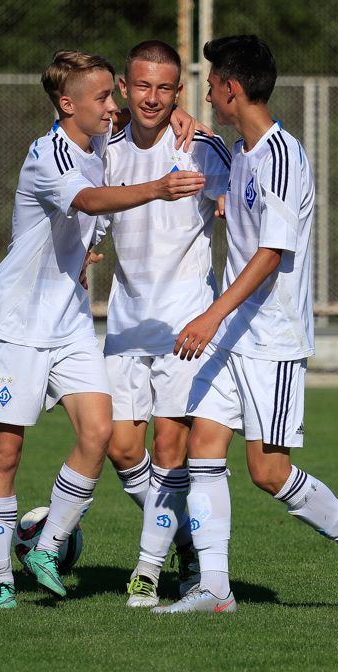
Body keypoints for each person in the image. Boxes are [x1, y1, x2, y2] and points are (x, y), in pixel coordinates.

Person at [0, 49, 207, 608]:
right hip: (18, 325)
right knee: (5, 455)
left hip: (73, 323)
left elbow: (140, 119)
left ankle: (47, 545)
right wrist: (157, 187)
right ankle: (1, 581)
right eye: (103, 98)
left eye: (112, 94)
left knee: (100, 434)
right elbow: (89, 200)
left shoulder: (100, 138)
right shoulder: (48, 155)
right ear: (66, 104)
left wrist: (184, 116)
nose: (114, 107)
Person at [153, 34, 338, 614]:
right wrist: (179, 117)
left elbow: (271, 253)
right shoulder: (245, 152)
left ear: (231, 87)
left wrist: (210, 314)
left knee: (268, 471)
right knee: (204, 446)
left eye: (210, 82)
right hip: (235, 334)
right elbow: (213, 160)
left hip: (272, 338)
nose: (205, 91)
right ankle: (215, 589)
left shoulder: (279, 157)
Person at [101, 40, 231, 608]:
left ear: (179, 93)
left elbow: (242, 205)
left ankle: (147, 573)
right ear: (124, 90)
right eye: (142, 86)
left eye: (165, 88)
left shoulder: (202, 147)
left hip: (185, 323)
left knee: (170, 445)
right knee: (121, 447)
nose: (152, 98)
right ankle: (182, 535)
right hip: (125, 320)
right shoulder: (102, 145)